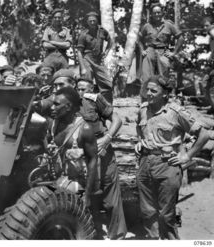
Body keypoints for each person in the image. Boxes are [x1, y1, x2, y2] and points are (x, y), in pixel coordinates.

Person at [135, 75, 209, 239]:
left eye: (154, 91)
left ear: (165, 94)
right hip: (145, 164)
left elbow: (203, 135)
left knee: (166, 215)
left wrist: (186, 156)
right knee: (147, 213)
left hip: (167, 166)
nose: (149, 93)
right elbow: (139, 129)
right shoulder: (143, 109)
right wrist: (140, 142)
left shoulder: (176, 112)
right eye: (147, 89)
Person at [76, 78, 127, 239]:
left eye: (85, 89)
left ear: (92, 90)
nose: (81, 92)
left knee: (111, 197)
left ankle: (117, 236)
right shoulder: (67, 102)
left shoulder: (95, 100)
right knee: (85, 195)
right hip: (80, 154)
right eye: (78, 88)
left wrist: (107, 138)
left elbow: (117, 120)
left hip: (102, 151)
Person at [50, 87, 98, 208]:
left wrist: (87, 195)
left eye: (56, 105)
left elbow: (93, 160)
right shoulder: (53, 125)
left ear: (68, 107)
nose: (52, 108)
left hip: (77, 187)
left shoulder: (84, 129)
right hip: (57, 182)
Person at [139, 3, 184, 100]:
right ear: (151, 14)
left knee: (164, 78)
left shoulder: (168, 25)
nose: (157, 15)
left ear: (162, 13)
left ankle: (164, 99)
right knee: (146, 77)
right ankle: (145, 100)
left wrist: (174, 52)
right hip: (150, 51)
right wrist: (142, 50)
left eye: (159, 12)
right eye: (154, 13)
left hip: (163, 51)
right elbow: (138, 39)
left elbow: (180, 37)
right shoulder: (147, 26)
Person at [77, 11, 113, 103]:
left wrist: (106, 52)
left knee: (107, 84)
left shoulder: (102, 31)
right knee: (86, 83)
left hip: (98, 61)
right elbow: (79, 52)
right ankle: (85, 106)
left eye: (94, 20)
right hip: (87, 60)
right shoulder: (83, 34)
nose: (92, 22)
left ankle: (107, 106)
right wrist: (83, 68)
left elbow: (110, 41)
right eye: (90, 21)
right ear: (87, 22)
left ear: (97, 21)